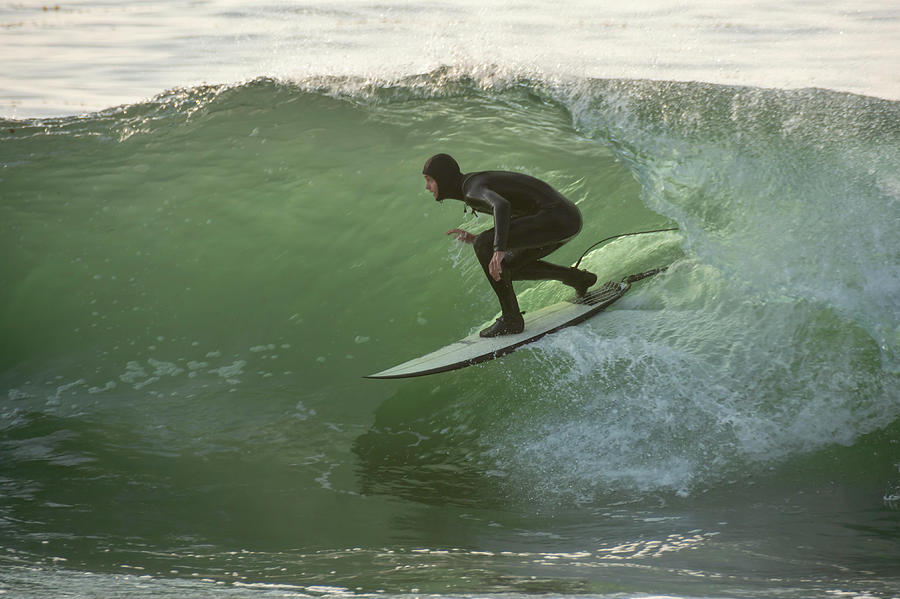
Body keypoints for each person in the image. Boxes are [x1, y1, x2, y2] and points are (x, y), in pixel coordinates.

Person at [422, 153, 597, 337]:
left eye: (429, 180)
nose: (427, 187)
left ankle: (511, 319)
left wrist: (497, 249)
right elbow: (517, 214)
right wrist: (480, 240)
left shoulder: (471, 190)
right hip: (564, 219)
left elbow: (501, 206)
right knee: (507, 267)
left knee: (486, 247)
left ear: (443, 179)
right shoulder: (472, 184)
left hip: (556, 218)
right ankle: (578, 279)